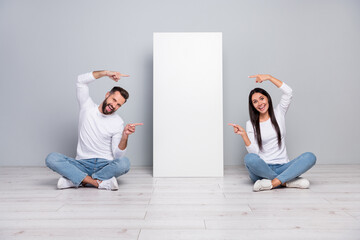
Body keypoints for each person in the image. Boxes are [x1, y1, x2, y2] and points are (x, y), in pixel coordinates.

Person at [46, 70, 143, 191]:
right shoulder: (87, 107)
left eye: (118, 105)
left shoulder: (118, 122)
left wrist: (125, 136)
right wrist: (106, 73)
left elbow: (118, 155)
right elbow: (80, 80)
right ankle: (98, 183)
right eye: (113, 100)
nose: (114, 105)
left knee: (125, 163)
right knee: (52, 158)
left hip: (105, 165)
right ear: (107, 94)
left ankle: (78, 180)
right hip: (81, 164)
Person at [229, 74, 316, 192]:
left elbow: (288, 92)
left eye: (261, 98)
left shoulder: (279, 113)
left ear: (267, 98)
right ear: (252, 106)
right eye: (255, 101)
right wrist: (244, 135)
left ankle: (273, 182)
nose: (259, 103)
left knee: (310, 157)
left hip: (283, 167)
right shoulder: (251, 124)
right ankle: (286, 182)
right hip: (263, 170)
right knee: (249, 158)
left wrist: (269, 78)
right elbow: (254, 152)